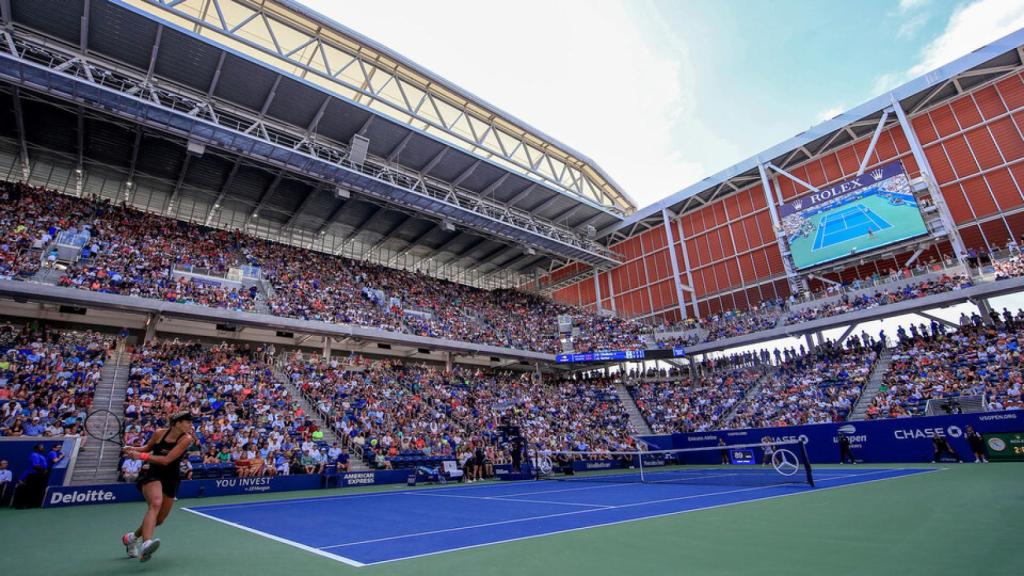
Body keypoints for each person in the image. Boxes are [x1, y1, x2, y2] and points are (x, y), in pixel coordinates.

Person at [120, 411, 195, 562]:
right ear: (177, 423)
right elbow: (147, 448)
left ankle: (132, 538)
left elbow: (167, 460)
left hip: (171, 478)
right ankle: (146, 543)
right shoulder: (159, 433)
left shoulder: (186, 439)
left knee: (159, 520)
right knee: (155, 503)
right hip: (153, 473)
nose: (190, 425)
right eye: (188, 422)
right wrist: (132, 449)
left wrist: (140, 456)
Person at [14, 444, 48, 508]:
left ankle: (33, 504)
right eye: (41, 447)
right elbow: (35, 465)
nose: (43, 448)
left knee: (36, 490)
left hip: (40, 475)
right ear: (37, 448)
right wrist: (43, 470)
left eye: (43, 447)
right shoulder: (34, 455)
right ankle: (23, 505)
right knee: (30, 490)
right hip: (34, 475)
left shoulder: (41, 456)